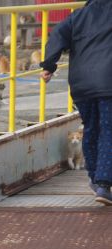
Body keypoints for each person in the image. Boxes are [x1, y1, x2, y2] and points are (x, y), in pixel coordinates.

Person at [40, 0, 112, 205]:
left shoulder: (77, 16)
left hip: (81, 85)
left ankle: (94, 178)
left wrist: (48, 65)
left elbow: (57, 36)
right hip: (109, 82)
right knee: (109, 129)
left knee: (90, 127)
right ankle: (104, 184)